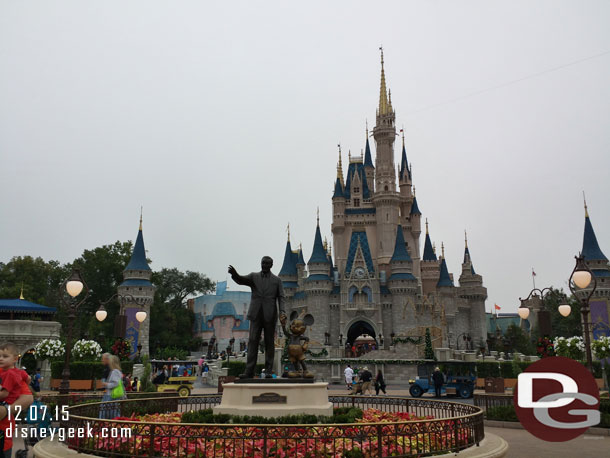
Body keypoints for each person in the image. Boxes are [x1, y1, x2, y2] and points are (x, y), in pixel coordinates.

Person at [228, 256, 286, 379]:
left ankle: (269, 371)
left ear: (271, 265)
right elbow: (241, 280)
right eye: (262, 263)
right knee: (253, 340)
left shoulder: (277, 280)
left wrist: (282, 311)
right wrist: (235, 274)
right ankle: (249, 371)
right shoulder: (254, 277)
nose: (263, 265)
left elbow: (281, 297)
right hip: (255, 314)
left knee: (269, 342)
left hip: (270, 314)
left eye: (266, 263)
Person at [0, 342, 34, 458]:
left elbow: (28, 398)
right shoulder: (18, 372)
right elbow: (28, 378)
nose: (1, 359)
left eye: (4, 356)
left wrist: (6, 409)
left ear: (14, 359)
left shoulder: (9, 373)